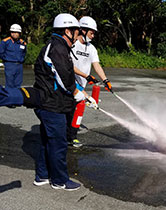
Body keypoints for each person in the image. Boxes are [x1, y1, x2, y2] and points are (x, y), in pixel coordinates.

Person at [32, 13, 96, 191]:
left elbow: (63, 74)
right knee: (59, 144)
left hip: (49, 103)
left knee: (47, 141)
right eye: (76, 33)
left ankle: (42, 175)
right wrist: (76, 92)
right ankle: (60, 181)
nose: (77, 38)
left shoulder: (58, 47)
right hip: (53, 106)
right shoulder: (58, 48)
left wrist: (82, 92)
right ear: (67, 31)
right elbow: (63, 76)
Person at [67, 16, 113, 147]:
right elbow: (68, 65)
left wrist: (106, 80)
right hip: (69, 82)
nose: (93, 36)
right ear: (83, 30)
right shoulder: (73, 44)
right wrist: (86, 76)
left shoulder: (91, 48)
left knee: (79, 108)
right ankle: (68, 136)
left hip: (81, 84)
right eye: (91, 33)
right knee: (70, 109)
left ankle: (71, 136)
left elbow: (96, 65)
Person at [0, 24, 26, 88]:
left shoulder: (23, 43)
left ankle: (16, 97)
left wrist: (21, 60)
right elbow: (1, 53)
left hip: (19, 65)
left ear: (19, 33)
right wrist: (7, 60)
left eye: (17, 32)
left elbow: (24, 53)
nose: (15, 34)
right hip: (9, 65)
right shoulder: (5, 42)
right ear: (11, 33)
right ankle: (9, 97)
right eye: (13, 32)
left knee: (18, 84)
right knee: (9, 84)